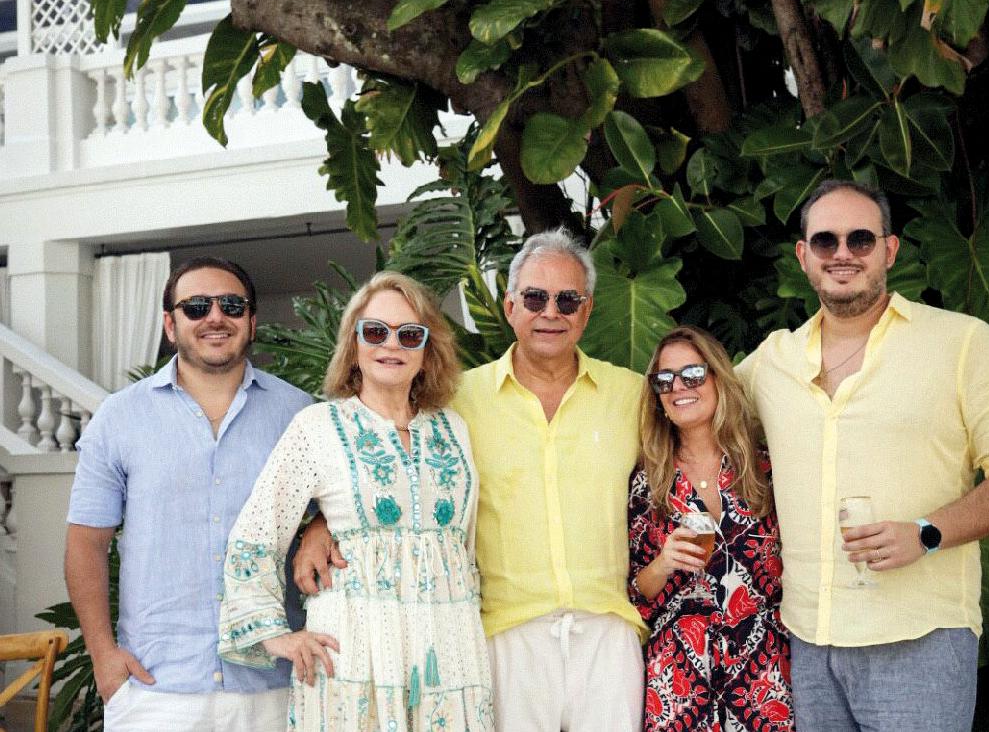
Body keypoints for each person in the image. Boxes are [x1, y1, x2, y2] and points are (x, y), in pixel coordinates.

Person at [297, 230, 647, 731]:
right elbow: (391, 470)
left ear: (587, 311)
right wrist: (321, 522)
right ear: (509, 306)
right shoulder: (456, 405)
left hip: (607, 631)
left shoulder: (631, 396)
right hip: (506, 633)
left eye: (567, 300)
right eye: (534, 297)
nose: (551, 312)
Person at [736, 179, 989, 731]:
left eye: (860, 239)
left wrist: (927, 532)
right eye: (825, 241)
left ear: (889, 250)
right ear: (804, 257)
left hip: (919, 638)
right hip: (807, 640)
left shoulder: (962, 343)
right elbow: (692, 415)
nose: (842, 254)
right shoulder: (771, 362)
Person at [216, 271, 493, 731]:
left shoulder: (453, 430)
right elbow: (257, 532)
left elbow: (461, 545)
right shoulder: (318, 428)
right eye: (375, 331)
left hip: (449, 650)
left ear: (427, 351)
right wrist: (275, 636)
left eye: (409, 334)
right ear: (355, 345)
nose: (392, 345)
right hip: (354, 651)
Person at [65, 257, 312, 730]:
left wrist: (319, 527)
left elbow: (338, 508)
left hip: (274, 688)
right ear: (170, 325)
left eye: (232, 305)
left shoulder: (299, 415)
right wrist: (103, 656)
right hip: (156, 690)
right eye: (196, 307)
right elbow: (86, 543)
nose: (215, 318)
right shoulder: (119, 419)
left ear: (252, 321)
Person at [629, 325, 793, 731]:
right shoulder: (649, 482)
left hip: (763, 667)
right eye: (664, 380)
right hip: (681, 673)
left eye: (693, 374)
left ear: (717, 378)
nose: (678, 386)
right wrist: (664, 562)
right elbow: (636, 591)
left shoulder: (765, 469)